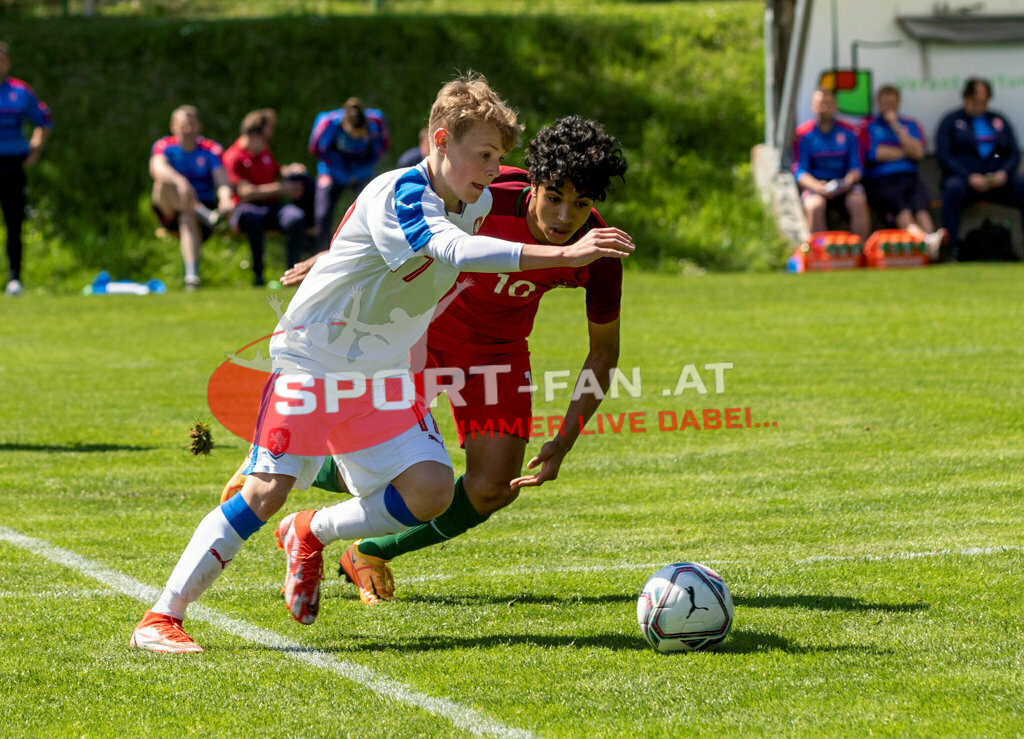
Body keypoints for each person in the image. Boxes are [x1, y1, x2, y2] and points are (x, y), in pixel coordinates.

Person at [129, 74, 634, 653]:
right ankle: (162, 616)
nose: (496, 169)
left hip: (385, 367)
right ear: (440, 142)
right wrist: (564, 254)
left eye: (500, 157)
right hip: (316, 358)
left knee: (431, 488)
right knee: (267, 491)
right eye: (486, 155)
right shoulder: (403, 194)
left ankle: (310, 530)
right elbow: (451, 248)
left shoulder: (480, 197)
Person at [228, 116, 628, 606]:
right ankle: (273, 462)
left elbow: (604, 351)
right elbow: (393, 197)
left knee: (494, 488)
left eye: (581, 204)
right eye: (554, 198)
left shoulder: (599, 250)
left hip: (497, 352)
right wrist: (337, 256)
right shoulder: (489, 188)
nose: (565, 218)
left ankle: (363, 549)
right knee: (391, 457)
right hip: (423, 333)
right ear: (533, 183)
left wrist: (566, 436)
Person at [936, 77, 1024, 259]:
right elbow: (945, 156)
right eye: (975, 102)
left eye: (984, 102)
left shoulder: (998, 120)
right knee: (952, 189)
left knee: (1021, 184)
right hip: (966, 183)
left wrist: (1004, 173)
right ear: (966, 98)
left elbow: (1013, 153)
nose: (980, 106)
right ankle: (951, 250)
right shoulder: (951, 121)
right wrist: (968, 176)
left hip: (997, 183)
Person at [150, 105, 234, 290]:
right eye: (182, 126)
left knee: (187, 217)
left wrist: (226, 201)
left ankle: (192, 278)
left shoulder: (210, 149)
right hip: (169, 207)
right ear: (173, 127)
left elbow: (222, 183)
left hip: (201, 207)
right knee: (162, 183)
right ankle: (204, 214)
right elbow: (156, 168)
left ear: (198, 127)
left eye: (191, 125)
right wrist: (181, 181)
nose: (187, 130)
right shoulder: (164, 146)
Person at [223, 109, 310, 286]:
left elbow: (278, 172)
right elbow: (245, 192)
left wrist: (292, 169)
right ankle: (258, 276)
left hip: (272, 208)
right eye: (265, 137)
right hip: (245, 208)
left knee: (295, 217)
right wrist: (280, 189)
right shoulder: (233, 157)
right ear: (253, 134)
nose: (267, 142)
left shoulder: (263, 152)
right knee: (253, 217)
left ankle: (292, 274)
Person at [862, 85, 946, 257]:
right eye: (885, 103)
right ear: (878, 103)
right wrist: (906, 151)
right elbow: (876, 154)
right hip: (882, 181)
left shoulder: (911, 124)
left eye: (892, 103)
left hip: (910, 178)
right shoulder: (868, 125)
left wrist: (896, 126)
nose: (888, 108)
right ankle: (926, 242)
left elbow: (918, 153)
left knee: (921, 210)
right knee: (904, 211)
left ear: (898, 103)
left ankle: (930, 245)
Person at [0, 42, 52, 297]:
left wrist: (34, 151)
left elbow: (44, 121)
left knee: (13, 223)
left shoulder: (20, 92)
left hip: (11, 163)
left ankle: (14, 279)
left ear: (7, 62)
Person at [308, 97, 390, 252]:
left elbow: (380, 150)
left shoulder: (376, 122)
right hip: (333, 169)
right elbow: (317, 150)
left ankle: (369, 251)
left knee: (373, 208)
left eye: (361, 134)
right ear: (344, 124)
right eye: (354, 134)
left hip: (362, 168)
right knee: (323, 213)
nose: (358, 137)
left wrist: (358, 173)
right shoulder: (327, 122)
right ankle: (320, 251)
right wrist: (342, 174)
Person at [795, 88, 871, 241]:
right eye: (820, 104)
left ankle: (860, 250)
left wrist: (847, 182)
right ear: (812, 107)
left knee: (858, 201)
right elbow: (800, 171)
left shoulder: (849, 132)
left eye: (828, 103)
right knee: (814, 206)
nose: (824, 108)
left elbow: (857, 168)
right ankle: (821, 254)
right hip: (817, 187)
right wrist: (817, 186)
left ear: (835, 106)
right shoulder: (803, 135)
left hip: (844, 185)